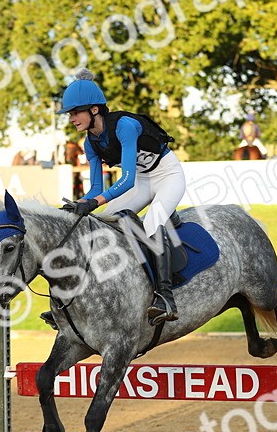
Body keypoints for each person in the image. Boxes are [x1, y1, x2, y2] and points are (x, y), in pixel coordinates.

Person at [56, 69, 186, 326]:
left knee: (152, 221)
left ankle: (166, 298)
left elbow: (125, 179)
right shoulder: (90, 143)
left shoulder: (124, 126)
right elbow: (95, 188)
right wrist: (79, 203)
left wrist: (94, 202)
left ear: (94, 110)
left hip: (168, 175)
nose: (71, 119)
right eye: (69, 114)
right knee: (105, 219)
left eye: (75, 112)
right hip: (143, 181)